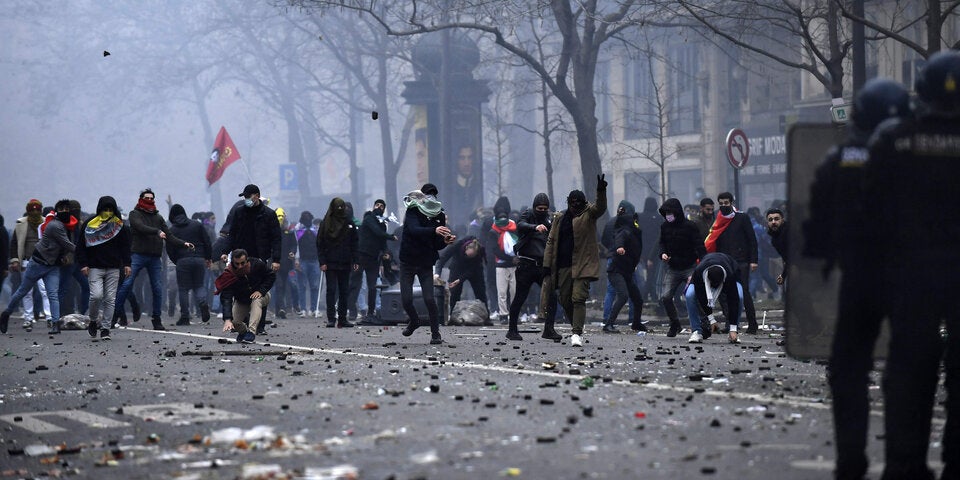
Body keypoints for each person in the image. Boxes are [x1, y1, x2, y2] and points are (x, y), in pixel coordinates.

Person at [804, 77, 912, 480]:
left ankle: (851, 460)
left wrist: (822, 265)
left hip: (860, 279)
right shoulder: (920, 154)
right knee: (910, 366)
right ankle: (907, 461)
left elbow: (817, 228)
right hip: (914, 280)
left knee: (849, 367)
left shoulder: (839, 160)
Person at [864, 53, 960, 480]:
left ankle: (905, 466)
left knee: (909, 373)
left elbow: (871, 212)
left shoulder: (893, 140)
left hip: (911, 275)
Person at [113, 189, 193, 331]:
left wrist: (183, 243)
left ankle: (156, 319)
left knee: (157, 288)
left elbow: (168, 235)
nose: (149, 200)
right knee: (127, 284)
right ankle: (114, 315)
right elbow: (140, 227)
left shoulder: (158, 217)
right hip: (138, 255)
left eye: (152, 198)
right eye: (146, 198)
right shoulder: (134, 214)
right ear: (141, 198)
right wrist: (156, 231)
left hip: (155, 257)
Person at [542, 174, 607, 347]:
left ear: (584, 202)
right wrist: (547, 265)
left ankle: (576, 333)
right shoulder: (560, 219)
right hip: (563, 265)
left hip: (583, 264)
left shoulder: (589, 214)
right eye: (573, 202)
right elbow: (551, 242)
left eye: (579, 202)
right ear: (568, 202)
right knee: (565, 299)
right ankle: (576, 326)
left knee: (578, 298)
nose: (576, 205)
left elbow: (600, 208)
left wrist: (601, 191)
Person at [0, 200, 76, 334]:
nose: (65, 211)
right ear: (57, 211)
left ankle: (55, 323)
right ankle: (6, 314)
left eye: (67, 208)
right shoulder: (55, 226)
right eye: (62, 208)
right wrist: (85, 252)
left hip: (52, 266)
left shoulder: (68, 226)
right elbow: (68, 244)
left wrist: (64, 257)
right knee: (23, 291)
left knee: (52, 294)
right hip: (37, 263)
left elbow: (65, 247)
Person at [399, 183, 456, 344]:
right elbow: (414, 230)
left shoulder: (439, 215)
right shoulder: (412, 210)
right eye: (428, 194)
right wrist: (434, 230)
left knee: (430, 299)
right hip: (408, 261)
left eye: (433, 194)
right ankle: (414, 321)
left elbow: (437, 244)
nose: (431, 196)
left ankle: (435, 334)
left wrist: (445, 241)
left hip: (425, 262)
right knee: (406, 300)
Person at [506, 193, 560, 342]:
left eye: (545, 208)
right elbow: (520, 224)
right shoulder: (528, 214)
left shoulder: (550, 219)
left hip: (543, 266)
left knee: (552, 297)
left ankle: (549, 329)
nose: (542, 210)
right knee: (520, 297)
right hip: (526, 265)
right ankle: (512, 330)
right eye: (539, 208)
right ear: (534, 207)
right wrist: (535, 227)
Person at [77, 196, 130, 339]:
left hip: (113, 267)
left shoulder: (118, 226)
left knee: (110, 299)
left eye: (110, 210)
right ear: (99, 209)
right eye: (105, 209)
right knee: (96, 296)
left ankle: (106, 328)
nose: (108, 212)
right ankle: (93, 320)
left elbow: (125, 247)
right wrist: (83, 264)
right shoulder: (89, 225)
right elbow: (81, 246)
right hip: (95, 267)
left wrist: (127, 264)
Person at [705, 192, 759, 334]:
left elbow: (752, 240)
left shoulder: (742, 218)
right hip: (724, 260)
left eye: (726, 203)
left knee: (744, 292)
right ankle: (731, 323)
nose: (723, 206)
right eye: (721, 203)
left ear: (731, 203)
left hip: (741, 261)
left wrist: (753, 260)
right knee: (723, 293)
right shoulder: (718, 219)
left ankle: (752, 323)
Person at [657, 198, 707, 337]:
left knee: (693, 296)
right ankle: (675, 323)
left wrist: (702, 266)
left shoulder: (690, 226)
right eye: (666, 212)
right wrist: (663, 254)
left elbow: (699, 246)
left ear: (676, 212)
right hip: (673, 268)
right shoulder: (664, 227)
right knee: (666, 297)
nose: (668, 215)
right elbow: (662, 243)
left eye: (670, 212)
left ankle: (704, 322)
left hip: (689, 267)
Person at [8, 199, 51, 330]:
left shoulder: (47, 223)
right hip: (26, 261)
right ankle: (28, 318)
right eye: (32, 210)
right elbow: (15, 243)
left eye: (37, 209)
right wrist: (15, 260)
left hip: (42, 262)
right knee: (27, 291)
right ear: (28, 210)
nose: (34, 212)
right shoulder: (21, 224)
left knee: (45, 290)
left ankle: (49, 317)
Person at [216, 249, 276, 344]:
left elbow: (271, 275)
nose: (240, 266)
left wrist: (261, 291)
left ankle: (251, 332)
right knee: (234, 322)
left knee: (256, 301)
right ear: (233, 262)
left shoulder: (256, 264)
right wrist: (227, 319)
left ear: (247, 260)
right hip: (242, 300)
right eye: (237, 264)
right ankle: (244, 332)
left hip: (261, 296)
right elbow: (226, 298)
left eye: (242, 263)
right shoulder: (229, 274)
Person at [316, 197, 359, 328]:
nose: (340, 209)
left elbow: (354, 243)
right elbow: (320, 243)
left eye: (342, 207)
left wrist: (355, 260)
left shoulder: (349, 223)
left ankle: (342, 318)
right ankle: (331, 318)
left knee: (344, 291)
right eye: (338, 207)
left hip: (345, 261)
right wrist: (322, 261)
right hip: (330, 262)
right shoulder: (326, 223)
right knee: (331, 290)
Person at [166, 204, 212, 325]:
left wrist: (177, 260)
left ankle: (185, 316)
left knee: (183, 289)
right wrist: (208, 257)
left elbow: (169, 249)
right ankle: (203, 302)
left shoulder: (172, 230)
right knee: (199, 285)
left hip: (182, 260)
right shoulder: (197, 225)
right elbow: (207, 241)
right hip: (199, 259)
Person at [603, 200, 644, 334]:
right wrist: (619, 247)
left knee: (637, 299)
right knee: (622, 295)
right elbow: (620, 238)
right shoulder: (625, 229)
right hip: (617, 269)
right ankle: (608, 324)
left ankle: (636, 323)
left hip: (625, 269)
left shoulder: (626, 228)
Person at [221, 184, 282, 274]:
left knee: (257, 285)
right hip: (240, 258)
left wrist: (276, 260)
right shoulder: (239, 212)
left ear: (257, 196)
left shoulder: (269, 214)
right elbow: (232, 234)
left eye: (248, 196)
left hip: (260, 257)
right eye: (245, 197)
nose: (246, 199)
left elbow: (276, 238)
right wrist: (225, 252)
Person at [685, 252, 743, 344]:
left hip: (730, 268)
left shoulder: (729, 275)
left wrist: (733, 328)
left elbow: (733, 300)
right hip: (703, 272)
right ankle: (696, 331)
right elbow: (702, 298)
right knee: (689, 295)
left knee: (739, 297)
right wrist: (711, 319)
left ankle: (734, 332)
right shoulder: (699, 272)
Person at [353, 199, 396, 323]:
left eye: (382, 206)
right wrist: (391, 236)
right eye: (377, 205)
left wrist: (386, 253)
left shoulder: (382, 224)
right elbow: (378, 232)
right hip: (362, 256)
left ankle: (371, 313)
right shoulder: (369, 219)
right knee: (357, 285)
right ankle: (352, 311)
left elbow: (382, 241)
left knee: (373, 287)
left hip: (373, 258)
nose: (379, 208)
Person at [436, 236, 487, 314]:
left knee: (480, 292)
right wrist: (437, 273)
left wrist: (460, 280)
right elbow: (442, 259)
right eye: (467, 255)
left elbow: (472, 271)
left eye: (471, 256)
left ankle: (485, 315)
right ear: (466, 248)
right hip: (457, 267)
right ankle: (453, 315)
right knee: (454, 293)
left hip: (474, 270)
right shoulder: (456, 245)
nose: (468, 257)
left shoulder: (479, 252)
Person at [488, 196, 518, 322]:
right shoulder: (493, 231)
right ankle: (503, 314)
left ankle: (514, 313)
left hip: (513, 264)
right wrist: (512, 259)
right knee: (502, 293)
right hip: (502, 264)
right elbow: (495, 250)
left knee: (514, 291)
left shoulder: (514, 227)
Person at [294, 211, 320, 317]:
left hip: (315, 261)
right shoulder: (298, 231)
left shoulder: (315, 231)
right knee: (302, 286)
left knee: (314, 286)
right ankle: (303, 309)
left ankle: (314, 309)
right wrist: (296, 260)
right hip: (303, 261)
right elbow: (296, 246)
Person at [636, 197, 662, 301]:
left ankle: (646, 294)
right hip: (656, 250)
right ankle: (650, 294)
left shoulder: (639, 217)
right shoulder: (660, 218)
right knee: (653, 273)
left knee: (647, 273)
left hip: (643, 250)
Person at [764, 208, 788, 286]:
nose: (773, 222)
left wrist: (784, 275)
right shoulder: (775, 239)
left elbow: (791, 258)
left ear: (782, 220)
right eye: (770, 220)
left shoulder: (788, 232)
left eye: (776, 219)